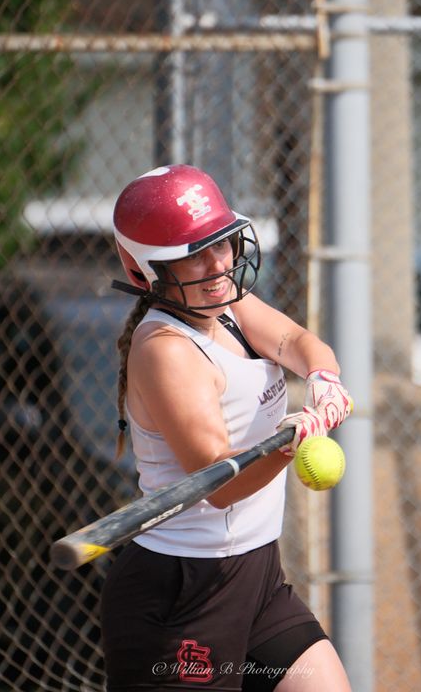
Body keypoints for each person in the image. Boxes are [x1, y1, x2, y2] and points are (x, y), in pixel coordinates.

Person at [100, 164, 353, 692]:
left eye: (223, 243)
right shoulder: (165, 350)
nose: (218, 264)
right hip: (184, 594)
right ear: (145, 268)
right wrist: (289, 443)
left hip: (257, 575)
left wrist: (324, 378)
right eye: (195, 253)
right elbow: (221, 480)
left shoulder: (226, 304)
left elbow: (294, 342)